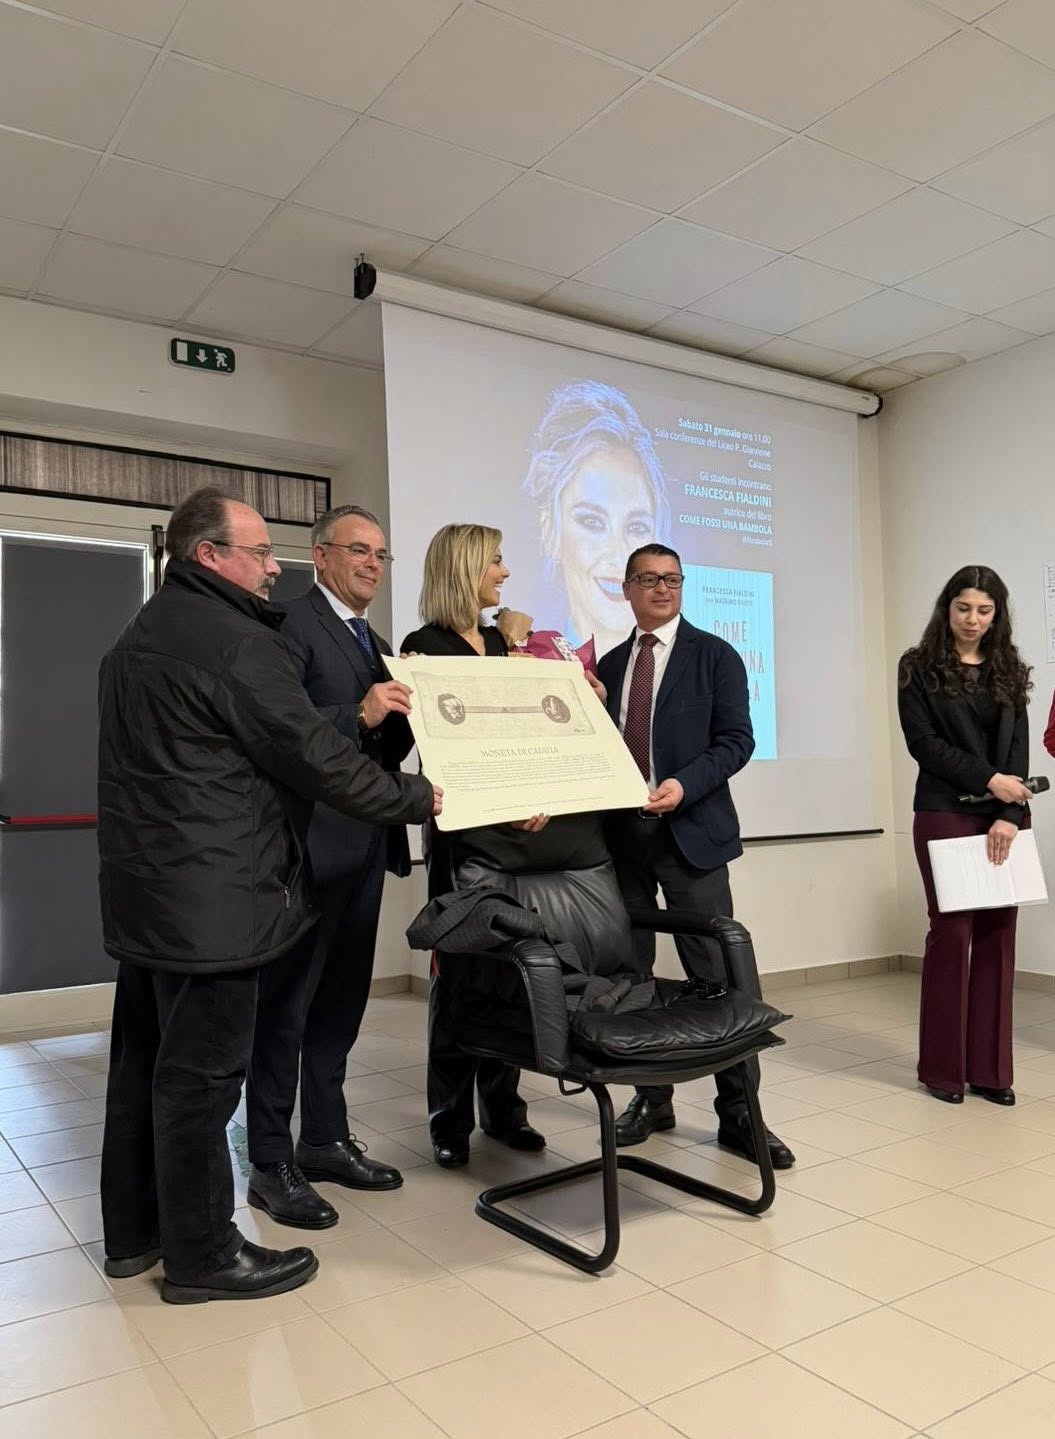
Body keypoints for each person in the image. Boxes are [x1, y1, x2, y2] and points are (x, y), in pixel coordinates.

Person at [98, 487, 439, 1303]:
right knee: (203, 1080)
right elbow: (314, 754)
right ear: (207, 554)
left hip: (152, 894)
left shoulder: (140, 634)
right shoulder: (236, 640)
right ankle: (203, 1255)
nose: (271, 566)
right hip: (216, 900)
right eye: (256, 551)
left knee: (145, 1068)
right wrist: (419, 798)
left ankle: (136, 1236)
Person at [245, 504, 418, 1231]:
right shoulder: (286, 626)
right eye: (358, 550)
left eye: (381, 554)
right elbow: (280, 735)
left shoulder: (374, 641)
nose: (372, 564)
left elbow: (383, 748)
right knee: (285, 1010)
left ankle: (322, 1137)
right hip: (308, 851)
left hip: (364, 846)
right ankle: (268, 1161)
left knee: (340, 1005)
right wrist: (361, 713)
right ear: (319, 557)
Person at [597, 542, 795, 1170]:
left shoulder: (715, 655)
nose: (662, 588)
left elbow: (737, 740)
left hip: (692, 832)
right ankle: (651, 1098)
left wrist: (684, 785)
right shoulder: (608, 664)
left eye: (672, 579)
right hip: (622, 838)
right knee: (632, 978)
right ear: (627, 589)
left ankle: (741, 1114)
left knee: (718, 975)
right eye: (649, 579)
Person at [402, 523, 546, 1168]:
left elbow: (522, 735)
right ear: (464, 568)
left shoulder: (498, 641)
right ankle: (449, 1117)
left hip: (515, 834)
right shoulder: (423, 647)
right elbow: (452, 744)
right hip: (463, 835)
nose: (505, 573)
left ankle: (504, 1109)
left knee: (509, 971)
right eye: (495, 561)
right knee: (459, 974)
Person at [897, 565, 1032, 1106]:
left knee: (999, 933)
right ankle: (943, 1071)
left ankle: (991, 1072)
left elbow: (1019, 748)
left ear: (996, 615)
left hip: (1003, 815)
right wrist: (989, 780)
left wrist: (1010, 812)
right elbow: (924, 745)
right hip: (943, 811)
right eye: (963, 608)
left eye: (983, 610)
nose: (972, 619)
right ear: (946, 608)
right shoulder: (917, 666)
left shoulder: (1010, 667)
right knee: (952, 934)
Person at [523, 381, 669, 660]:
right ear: (550, 531)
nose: (619, 554)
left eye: (636, 527)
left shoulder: (693, 658)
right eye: (592, 522)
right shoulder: (530, 660)